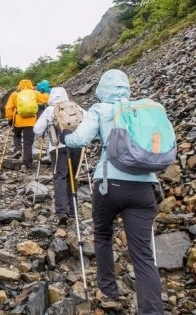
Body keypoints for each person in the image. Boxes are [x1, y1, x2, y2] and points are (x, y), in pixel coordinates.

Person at [60, 69, 164, 314]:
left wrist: (65, 136)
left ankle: (108, 291)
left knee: (103, 235)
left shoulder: (101, 109)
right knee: (144, 256)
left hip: (109, 185)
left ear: (103, 88)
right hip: (144, 187)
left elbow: (80, 140)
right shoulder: (142, 110)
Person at [34, 87, 83, 225]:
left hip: (57, 147)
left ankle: (62, 211)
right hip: (75, 145)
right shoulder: (74, 106)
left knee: (60, 177)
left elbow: (37, 130)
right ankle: (73, 210)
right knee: (72, 176)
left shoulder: (50, 110)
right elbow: (87, 119)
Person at [5, 79, 45, 169]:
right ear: (30, 85)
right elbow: (45, 99)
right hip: (31, 122)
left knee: (16, 135)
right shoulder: (34, 93)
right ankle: (27, 163)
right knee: (28, 143)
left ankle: (18, 149)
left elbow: (8, 108)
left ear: (20, 86)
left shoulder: (15, 94)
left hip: (18, 121)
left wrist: (10, 119)